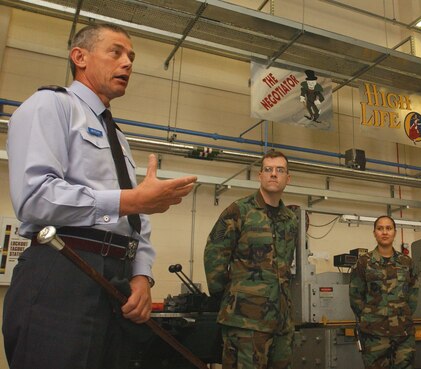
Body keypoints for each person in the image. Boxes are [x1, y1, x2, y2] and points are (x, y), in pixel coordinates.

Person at [3, 23, 197, 369]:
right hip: (62, 268)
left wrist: (141, 275)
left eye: (131, 57)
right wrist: (130, 200)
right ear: (80, 57)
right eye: (116, 52)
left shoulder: (117, 136)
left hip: (116, 279)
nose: (127, 63)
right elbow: (34, 197)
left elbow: (134, 218)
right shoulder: (51, 106)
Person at [204, 150, 298, 369]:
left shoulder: (290, 220)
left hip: (281, 322)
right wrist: (228, 297)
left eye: (280, 170)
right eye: (268, 169)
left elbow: (285, 265)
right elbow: (214, 255)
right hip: (245, 322)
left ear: (288, 178)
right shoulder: (240, 211)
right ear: (260, 175)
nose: (274, 174)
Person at [349, 215, 419, 369]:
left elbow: (413, 294)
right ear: (374, 233)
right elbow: (355, 297)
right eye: (380, 229)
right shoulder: (364, 262)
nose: (384, 232)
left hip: (403, 333)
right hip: (374, 334)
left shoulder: (406, 262)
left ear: (394, 232)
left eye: (388, 228)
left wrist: (402, 314)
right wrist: (370, 316)